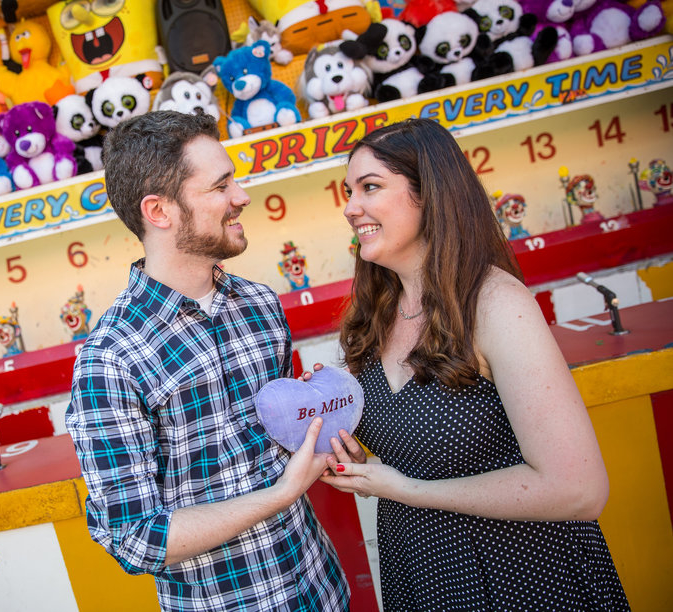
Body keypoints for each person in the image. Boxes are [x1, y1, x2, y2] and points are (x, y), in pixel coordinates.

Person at [320, 118, 629, 610]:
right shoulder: (376, 311)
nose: (350, 208)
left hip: (518, 575)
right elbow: (418, 444)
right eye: (348, 191)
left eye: (370, 187)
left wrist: (409, 489)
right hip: (424, 573)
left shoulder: (496, 303)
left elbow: (579, 490)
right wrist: (358, 460)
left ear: (431, 194)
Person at [66, 110, 350, 611]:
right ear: (159, 211)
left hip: (320, 590)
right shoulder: (110, 360)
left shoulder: (260, 304)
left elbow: (280, 447)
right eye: (220, 186)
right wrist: (278, 496)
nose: (241, 196)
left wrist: (318, 417)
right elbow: (134, 539)